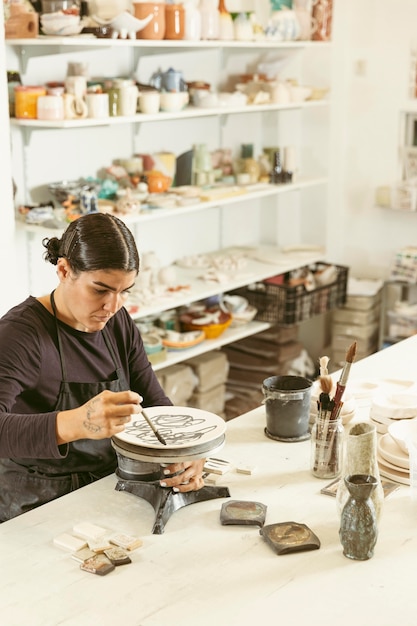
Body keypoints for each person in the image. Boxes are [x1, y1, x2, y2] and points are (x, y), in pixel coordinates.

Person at [0, 213, 205, 522]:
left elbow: (155, 401)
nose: (113, 305)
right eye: (100, 290)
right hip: (36, 500)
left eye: (125, 291)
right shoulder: (20, 335)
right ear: (64, 270)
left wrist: (184, 454)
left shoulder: (117, 322)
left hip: (109, 484)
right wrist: (77, 422)